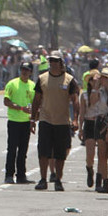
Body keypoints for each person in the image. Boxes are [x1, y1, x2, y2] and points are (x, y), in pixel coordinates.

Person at [31, 50, 80, 191]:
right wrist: (32, 120)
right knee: (43, 151)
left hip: (62, 120)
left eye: (55, 61)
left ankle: (58, 179)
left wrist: (75, 119)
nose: (53, 63)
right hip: (46, 119)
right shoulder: (42, 78)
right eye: (51, 60)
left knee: (60, 153)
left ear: (61, 63)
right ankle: (43, 179)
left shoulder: (69, 80)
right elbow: (36, 100)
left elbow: (75, 101)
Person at [3, 61, 35, 184]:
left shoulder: (32, 86)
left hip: (26, 122)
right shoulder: (12, 84)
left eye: (27, 70)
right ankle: (9, 175)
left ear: (31, 72)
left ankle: (21, 175)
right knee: (12, 149)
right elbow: (6, 101)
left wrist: (33, 119)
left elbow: (34, 103)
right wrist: (21, 108)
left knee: (23, 150)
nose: (24, 72)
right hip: (14, 121)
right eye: (23, 69)